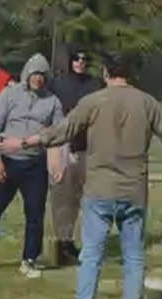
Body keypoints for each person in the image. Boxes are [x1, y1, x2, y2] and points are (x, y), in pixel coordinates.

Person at [0, 51, 162, 299]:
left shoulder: (93, 102)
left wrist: (23, 143)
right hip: (133, 191)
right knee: (133, 257)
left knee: (92, 255)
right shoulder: (149, 104)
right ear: (132, 74)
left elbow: (61, 131)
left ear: (106, 73)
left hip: (100, 191)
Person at [0, 53, 64, 279]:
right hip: (7, 161)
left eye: (42, 75)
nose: (38, 79)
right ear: (27, 74)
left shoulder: (53, 101)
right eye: (35, 74)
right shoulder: (9, 94)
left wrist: (58, 164)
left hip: (35, 164)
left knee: (35, 214)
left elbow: (58, 134)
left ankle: (29, 259)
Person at [49, 48, 104, 266]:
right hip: (63, 147)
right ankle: (63, 241)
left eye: (84, 58)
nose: (80, 62)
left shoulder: (95, 85)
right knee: (63, 198)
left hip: (89, 148)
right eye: (76, 58)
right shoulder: (58, 83)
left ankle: (84, 242)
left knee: (87, 199)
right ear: (70, 61)